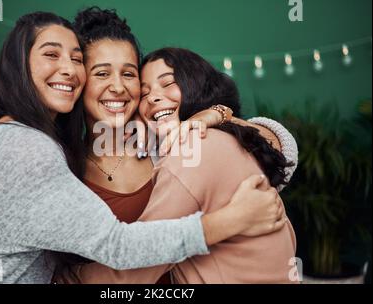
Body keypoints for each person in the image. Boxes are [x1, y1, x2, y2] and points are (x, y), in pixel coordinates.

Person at [0, 12, 287, 284]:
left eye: (129, 74)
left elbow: (280, 148)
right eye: (101, 73)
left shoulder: (164, 142)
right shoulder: (58, 163)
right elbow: (26, 252)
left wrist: (214, 116)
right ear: (79, 83)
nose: (118, 87)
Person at [73, 47, 298, 284]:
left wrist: (68, 278)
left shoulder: (192, 150)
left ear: (195, 83)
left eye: (168, 83)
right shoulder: (221, 140)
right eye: (145, 93)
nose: (153, 97)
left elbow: (133, 271)